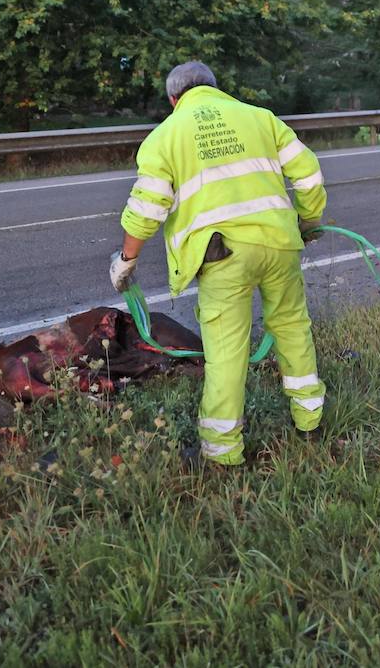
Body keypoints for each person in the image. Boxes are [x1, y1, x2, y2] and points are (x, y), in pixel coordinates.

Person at [109, 61, 328, 466]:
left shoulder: (165, 136)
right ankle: (309, 423)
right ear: (215, 87)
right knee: (293, 327)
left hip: (221, 255)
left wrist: (127, 260)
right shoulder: (260, 118)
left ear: (173, 99)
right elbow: (309, 176)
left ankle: (224, 453)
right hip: (279, 243)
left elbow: (146, 209)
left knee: (226, 350)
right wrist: (309, 221)